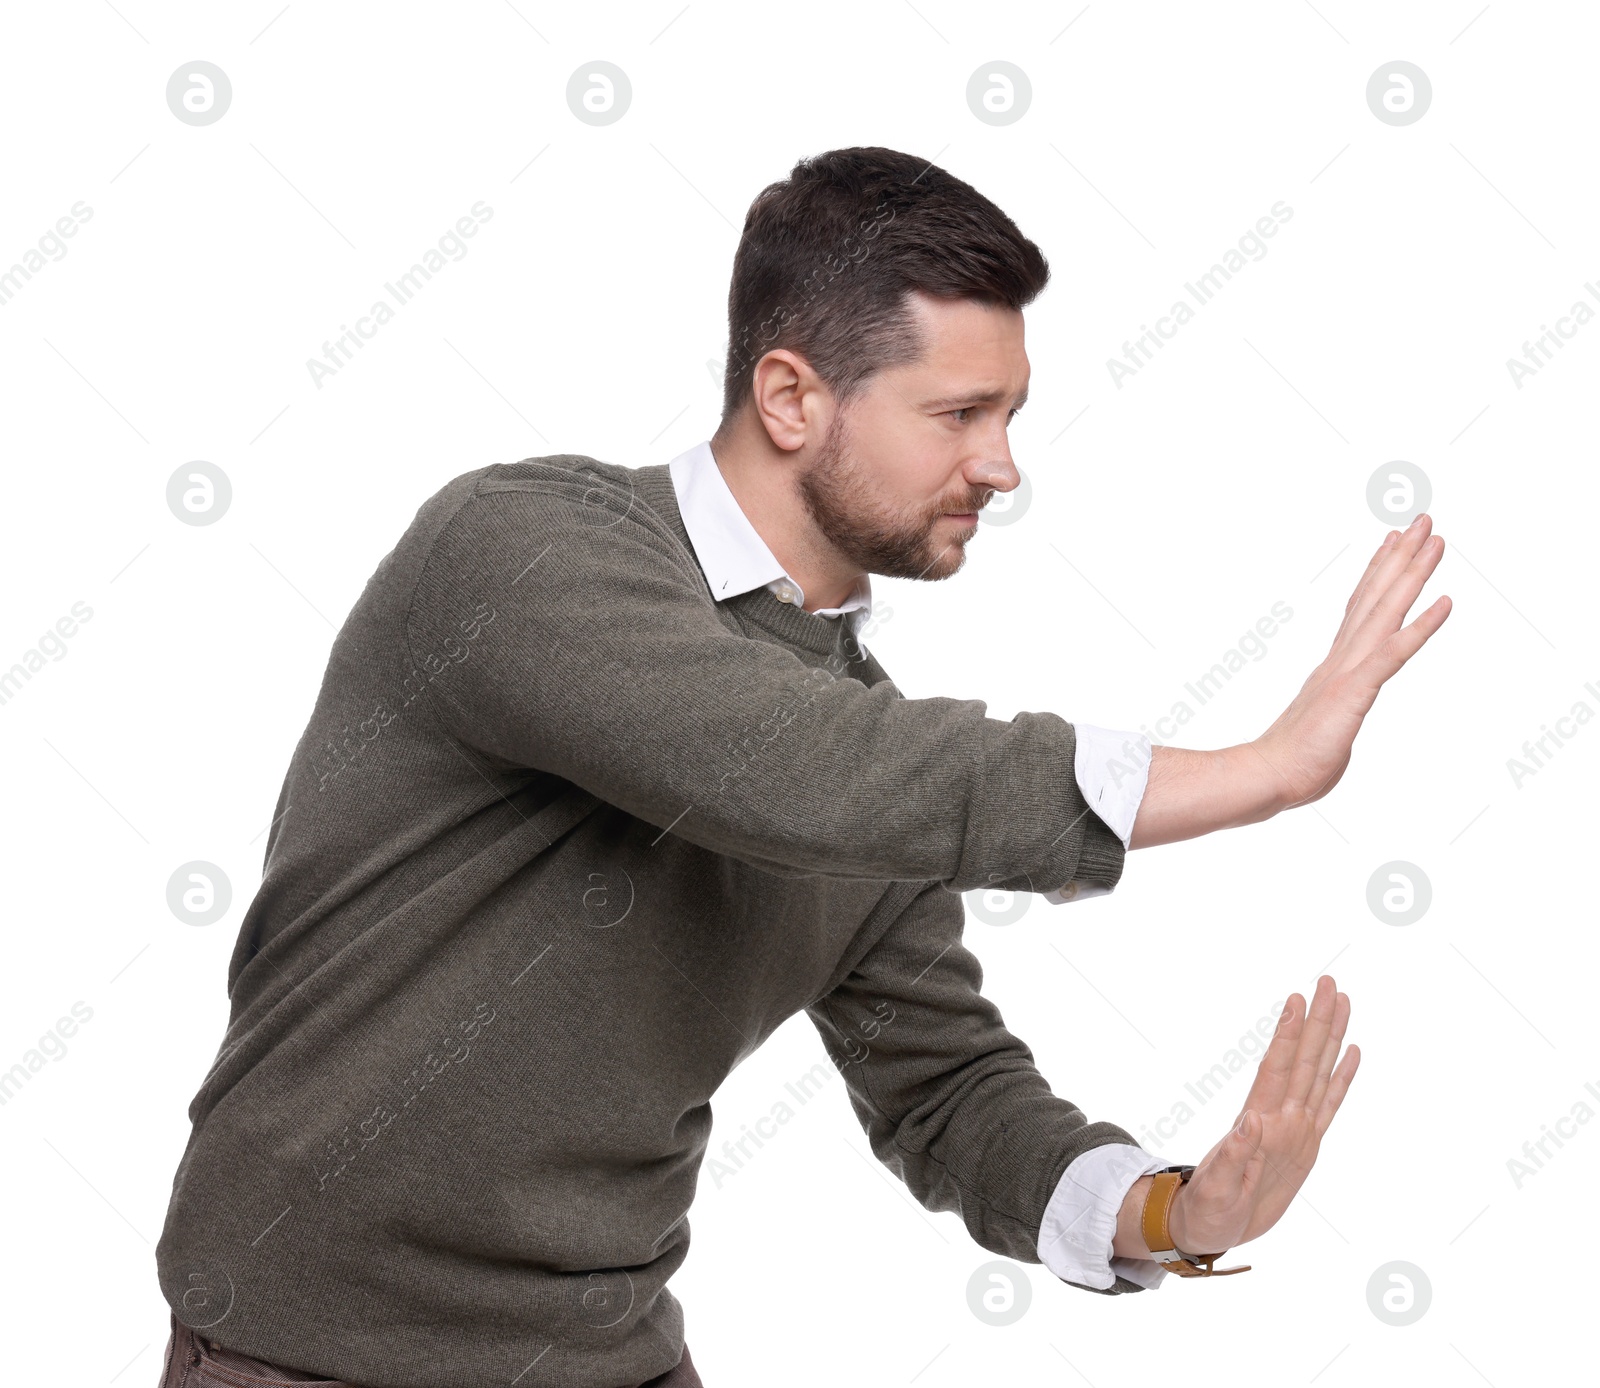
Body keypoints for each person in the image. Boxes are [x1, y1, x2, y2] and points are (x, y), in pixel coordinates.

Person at [153, 146, 1449, 1388]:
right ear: (790, 399)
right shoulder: (523, 550)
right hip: (312, 1358)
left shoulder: (868, 758)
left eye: (1008, 416)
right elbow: (785, 766)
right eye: (958, 414)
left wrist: (1174, 1211)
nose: (999, 466)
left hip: (611, 1354)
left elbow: (949, 1093)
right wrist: (1263, 770)